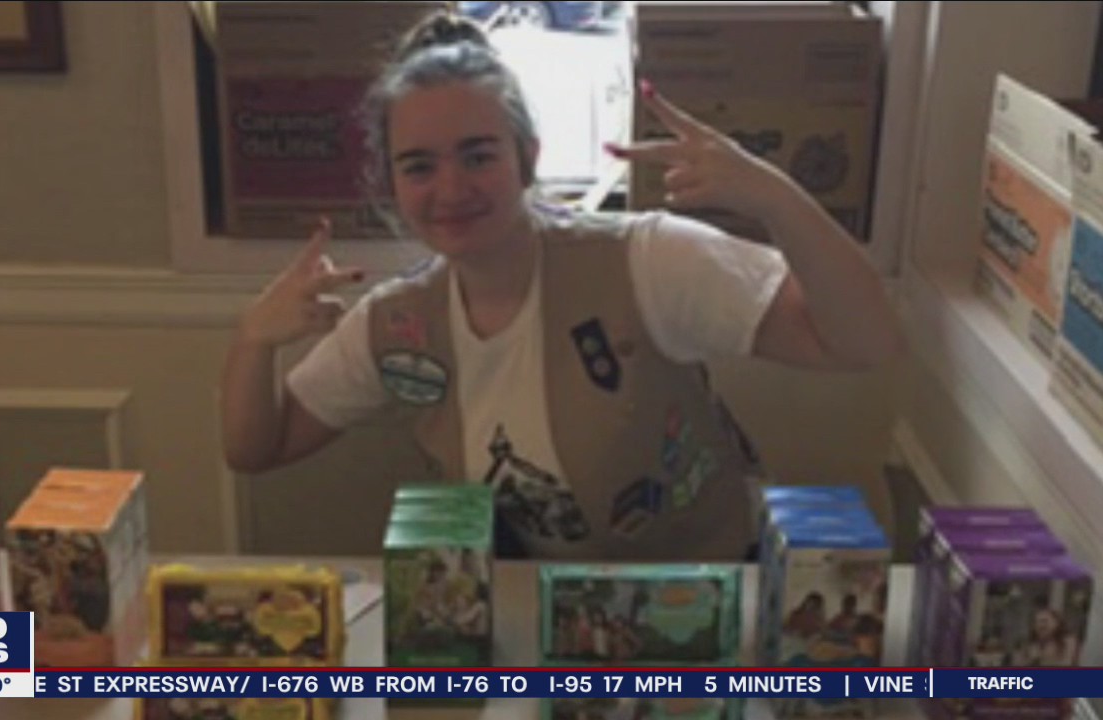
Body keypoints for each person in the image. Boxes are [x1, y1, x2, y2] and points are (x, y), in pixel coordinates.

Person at [220, 11, 903, 562]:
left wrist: (775, 198)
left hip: (709, 592)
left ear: (527, 158)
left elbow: (862, 343)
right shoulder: (398, 323)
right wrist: (254, 340)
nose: (451, 188)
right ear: (393, 186)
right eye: (419, 166)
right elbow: (256, 449)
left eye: (478, 155)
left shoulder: (646, 260)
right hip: (546, 616)